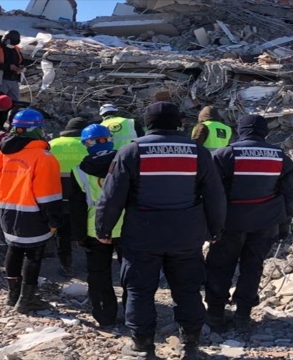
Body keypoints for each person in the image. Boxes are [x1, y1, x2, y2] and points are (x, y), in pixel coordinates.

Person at [95, 101, 227, 358]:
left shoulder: (131, 151)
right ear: (179, 123)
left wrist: (104, 228)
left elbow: (111, 197)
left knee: (139, 290)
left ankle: (142, 347)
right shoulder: (198, 152)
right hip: (186, 234)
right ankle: (191, 346)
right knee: (187, 289)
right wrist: (215, 229)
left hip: (142, 233)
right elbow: (214, 196)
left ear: (147, 124)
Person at [205, 114, 293, 333]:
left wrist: (209, 225)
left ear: (240, 129)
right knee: (252, 267)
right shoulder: (280, 157)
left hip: (229, 223)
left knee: (219, 266)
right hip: (265, 223)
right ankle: (243, 316)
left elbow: (211, 194)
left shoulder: (225, 154)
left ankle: (215, 314)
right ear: (264, 132)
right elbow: (288, 195)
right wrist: (284, 225)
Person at [0, 109, 63, 314]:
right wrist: (54, 220)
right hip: (32, 214)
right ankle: (26, 299)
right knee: (33, 254)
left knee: (14, 249)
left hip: (6, 213)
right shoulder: (43, 157)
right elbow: (49, 195)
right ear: (37, 130)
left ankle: (12, 295)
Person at [70, 124, 125, 327]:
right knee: (131, 271)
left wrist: (79, 235)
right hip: (126, 226)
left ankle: (104, 315)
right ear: (109, 140)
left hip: (95, 229)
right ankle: (134, 312)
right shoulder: (126, 163)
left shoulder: (80, 171)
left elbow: (77, 207)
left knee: (98, 273)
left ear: (87, 144)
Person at [48, 117, 90, 277]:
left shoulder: (52, 144)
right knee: (86, 230)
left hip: (57, 196)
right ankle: (90, 264)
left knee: (62, 232)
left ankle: (66, 266)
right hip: (83, 197)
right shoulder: (88, 144)